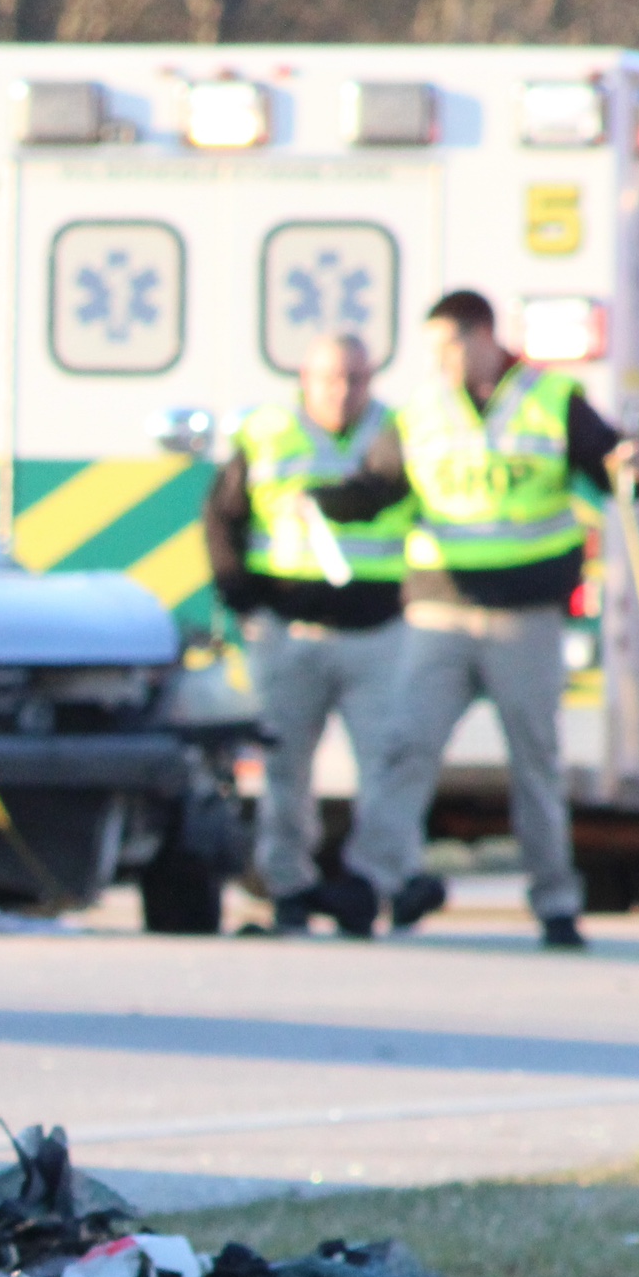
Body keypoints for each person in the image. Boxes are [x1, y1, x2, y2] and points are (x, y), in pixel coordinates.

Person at [310, 289, 639, 950]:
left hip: (523, 616)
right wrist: (326, 501)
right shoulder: (423, 412)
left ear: (483, 336)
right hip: (440, 612)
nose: (440, 360)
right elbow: (378, 486)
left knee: (536, 763)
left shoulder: (549, 402)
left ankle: (555, 900)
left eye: (449, 345)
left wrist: (638, 469)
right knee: (404, 749)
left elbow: (615, 467)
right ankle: (367, 881)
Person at [202, 331, 417, 937]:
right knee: (284, 769)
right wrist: (240, 595)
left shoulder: (394, 432)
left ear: (370, 380)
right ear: (304, 379)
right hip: (289, 630)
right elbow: (222, 515)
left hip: (376, 629)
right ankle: (287, 885)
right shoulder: (267, 434)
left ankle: (376, 884)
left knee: (387, 765)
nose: (341, 391)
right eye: (329, 378)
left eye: (354, 378)